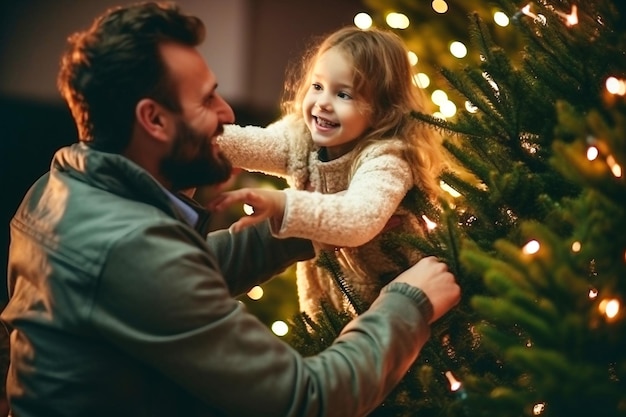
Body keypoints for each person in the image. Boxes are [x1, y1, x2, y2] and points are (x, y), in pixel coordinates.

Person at [0, 3, 460, 417]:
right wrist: (408, 303)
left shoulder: (59, 188)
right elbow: (308, 398)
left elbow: (174, 280)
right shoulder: (129, 249)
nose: (226, 112)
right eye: (205, 100)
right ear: (153, 120)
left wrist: (303, 222)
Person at [210, 26, 448, 318]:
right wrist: (196, 136)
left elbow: (357, 219)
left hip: (399, 306)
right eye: (318, 86)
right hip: (329, 308)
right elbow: (252, 144)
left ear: (382, 110)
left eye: (343, 95)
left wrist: (284, 204)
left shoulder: (388, 157)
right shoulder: (301, 136)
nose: (323, 102)